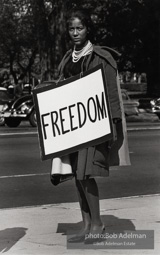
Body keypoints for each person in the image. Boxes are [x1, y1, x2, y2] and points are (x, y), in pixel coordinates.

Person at [52, 8, 129, 243]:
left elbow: (112, 95)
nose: (75, 33)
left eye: (80, 28)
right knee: (77, 175)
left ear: (87, 29)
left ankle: (98, 224)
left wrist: (113, 126)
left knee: (86, 174)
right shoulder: (67, 58)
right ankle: (86, 225)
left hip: (96, 126)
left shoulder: (101, 56)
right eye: (71, 29)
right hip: (73, 128)